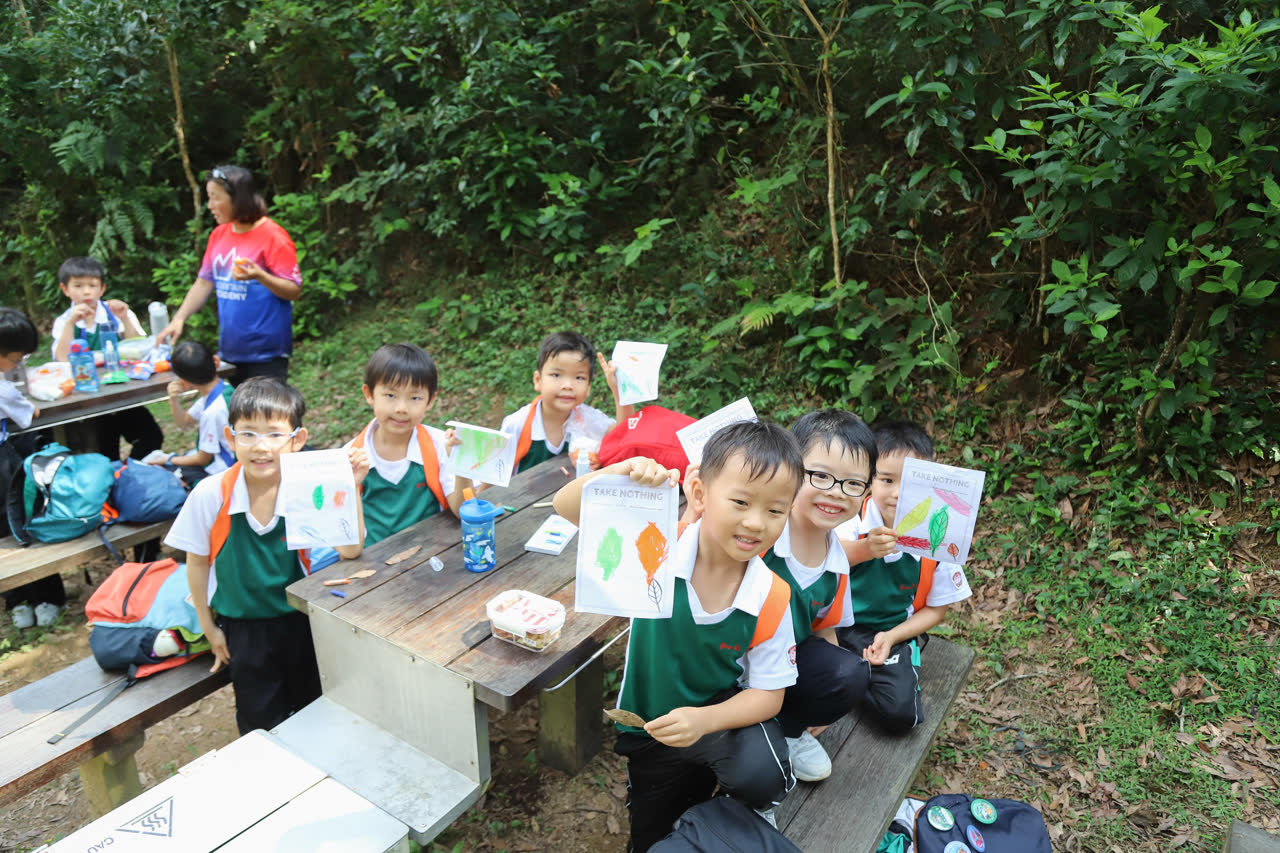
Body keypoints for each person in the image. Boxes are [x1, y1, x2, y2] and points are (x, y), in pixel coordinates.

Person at [553, 421, 804, 853]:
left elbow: (769, 695)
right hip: (650, 728)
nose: (755, 522)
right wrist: (622, 471)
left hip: (716, 723)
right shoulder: (657, 547)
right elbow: (566, 506)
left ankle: (735, 813)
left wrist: (704, 721)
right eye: (741, 502)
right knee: (651, 832)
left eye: (775, 511)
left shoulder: (772, 595)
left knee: (761, 773)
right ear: (700, 493)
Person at [163, 377, 369, 734]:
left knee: (314, 711)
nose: (261, 446)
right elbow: (196, 563)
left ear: (297, 440)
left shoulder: (307, 490)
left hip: (300, 621)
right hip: (243, 628)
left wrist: (349, 487)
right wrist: (209, 628)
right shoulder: (211, 494)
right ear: (230, 438)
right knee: (260, 721)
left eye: (275, 434)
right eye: (248, 434)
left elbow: (350, 550)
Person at [757, 409, 875, 781]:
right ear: (791, 470)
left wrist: (828, 693)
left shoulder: (836, 565)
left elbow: (825, 631)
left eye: (852, 484)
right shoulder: (761, 534)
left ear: (866, 493)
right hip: (728, 662)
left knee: (849, 670)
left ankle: (788, 730)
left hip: (780, 669)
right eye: (821, 476)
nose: (835, 492)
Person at [834, 420, 972, 733]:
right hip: (834, 626)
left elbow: (936, 610)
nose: (897, 493)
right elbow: (827, 556)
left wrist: (892, 637)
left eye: (912, 483)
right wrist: (866, 549)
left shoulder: (939, 534)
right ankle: (849, 677)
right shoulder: (852, 516)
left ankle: (857, 680)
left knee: (900, 714)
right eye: (887, 479)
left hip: (889, 632)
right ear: (869, 477)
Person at [156, 165, 302, 385]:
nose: (210, 206)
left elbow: (294, 290)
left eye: (215, 198)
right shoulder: (218, 234)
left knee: (265, 408)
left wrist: (260, 276)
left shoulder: (273, 236)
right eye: (209, 197)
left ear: (238, 199)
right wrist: (179, 319)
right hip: (231, 351)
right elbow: (204, 282)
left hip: (266, 354)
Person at [346, 343, 470, 545]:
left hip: (433, 552)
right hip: (374, 560)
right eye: (390, 395)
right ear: (369, 394)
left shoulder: (439, 445)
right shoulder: (350, 457)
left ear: (430, 400)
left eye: (415, 398)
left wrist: (461, 462)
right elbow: (346, 537)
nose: (401, 408)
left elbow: (464, 510)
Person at [50, 257, 163, 461]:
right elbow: (62, 359)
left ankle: (131, 470)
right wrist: (71, 324)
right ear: (65, 289)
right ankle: (116, 473)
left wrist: (125, 317)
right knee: (104, 450)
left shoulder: (114, 314)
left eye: (92, 286)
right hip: (90, 399)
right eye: (78, 286)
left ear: (102, 289)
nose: (86, 292)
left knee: (151, 437)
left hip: (123, 394)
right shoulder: (64, 322)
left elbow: (140, 347)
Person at [0, 307, 64, 629]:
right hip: (4, 466)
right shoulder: (3, 388)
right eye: (16, 359)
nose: (18, 365)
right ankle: (47, 597)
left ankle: (16, 600)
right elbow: (30, 415)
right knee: (25, 519)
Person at [500, 331, 632, 473]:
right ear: (538, 380)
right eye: (556, 375)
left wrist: (619, 391)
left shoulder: (587, 418)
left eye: (579, 377)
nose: (568, 385)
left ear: (588, 387)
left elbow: (626, 434)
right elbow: (491, 478)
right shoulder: (516, 426)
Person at [149, 340, 234, 487]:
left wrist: (169, 459)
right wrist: (173, 399)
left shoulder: (212, 412)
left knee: (168, 474)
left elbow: (203, 459)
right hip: (230, 462)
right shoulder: (223, 390)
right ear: (216, 361)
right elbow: (185, 423)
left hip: (224, 471)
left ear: (184, 381)